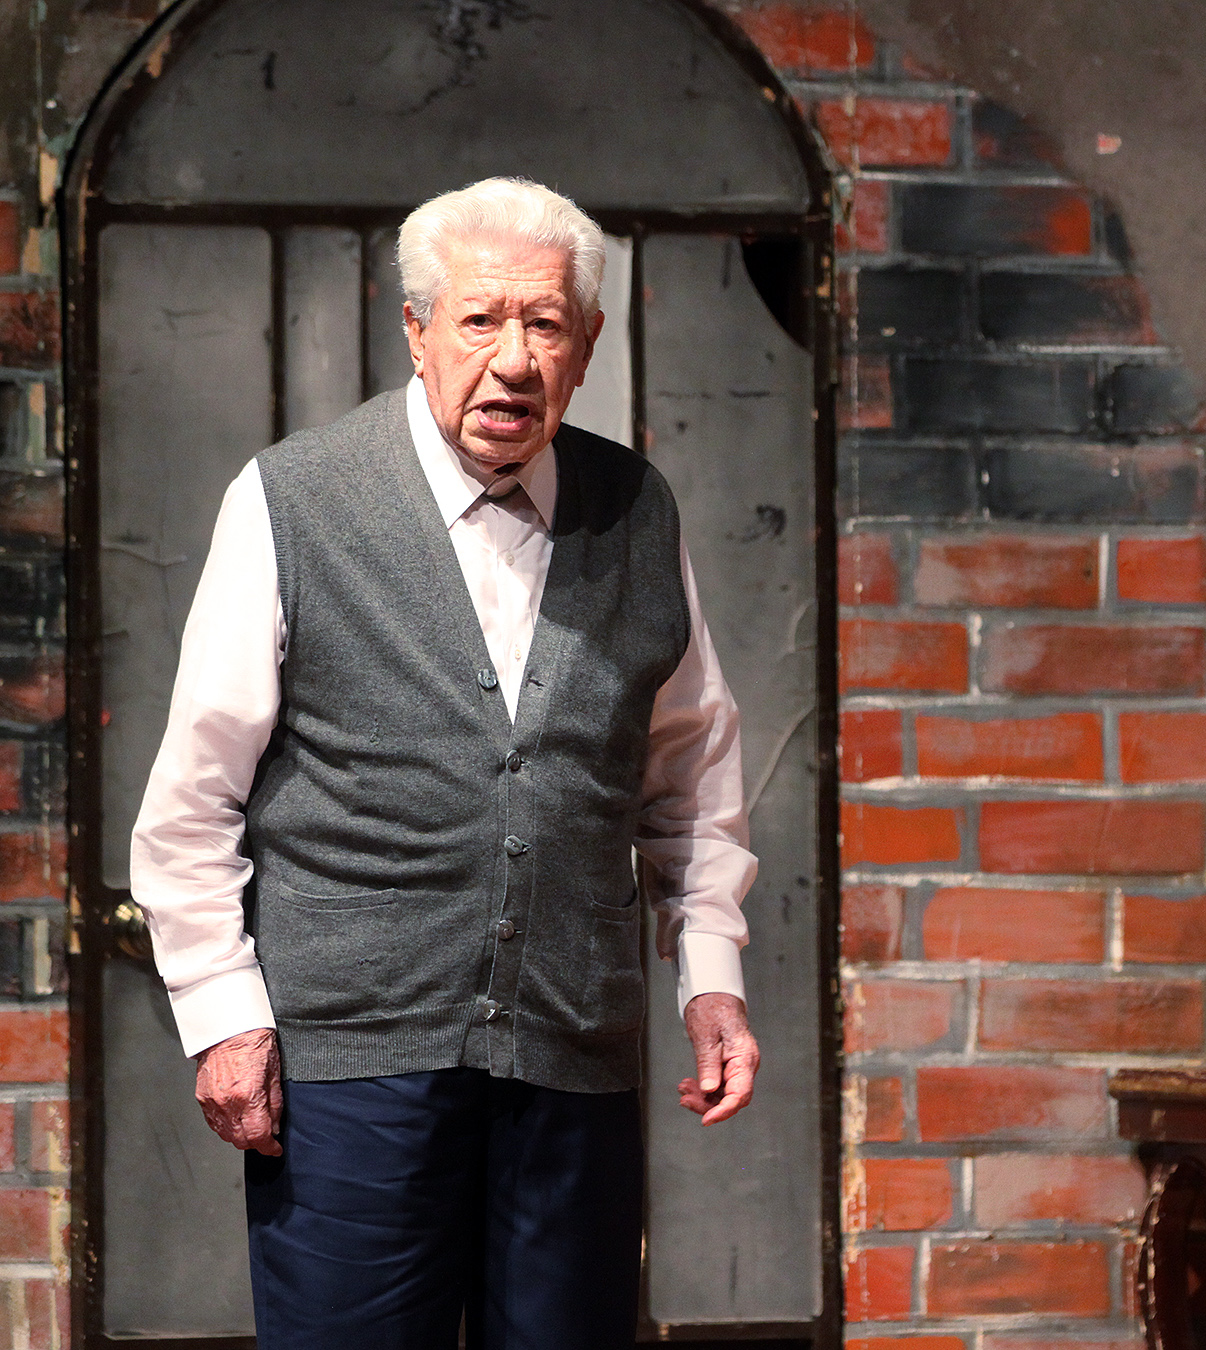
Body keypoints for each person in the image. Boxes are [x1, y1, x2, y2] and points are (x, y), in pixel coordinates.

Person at [129, 176, 760, 1349]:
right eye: (481, 320)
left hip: (573, 1056)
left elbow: (689, 777)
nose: (514, 360)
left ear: (588, 345)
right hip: (352, 1067)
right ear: (416, 331)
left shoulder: (636, 510)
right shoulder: (293, 501)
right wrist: (223, 1016)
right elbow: (192, 800)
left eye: (545, 324)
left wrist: (710, 974)